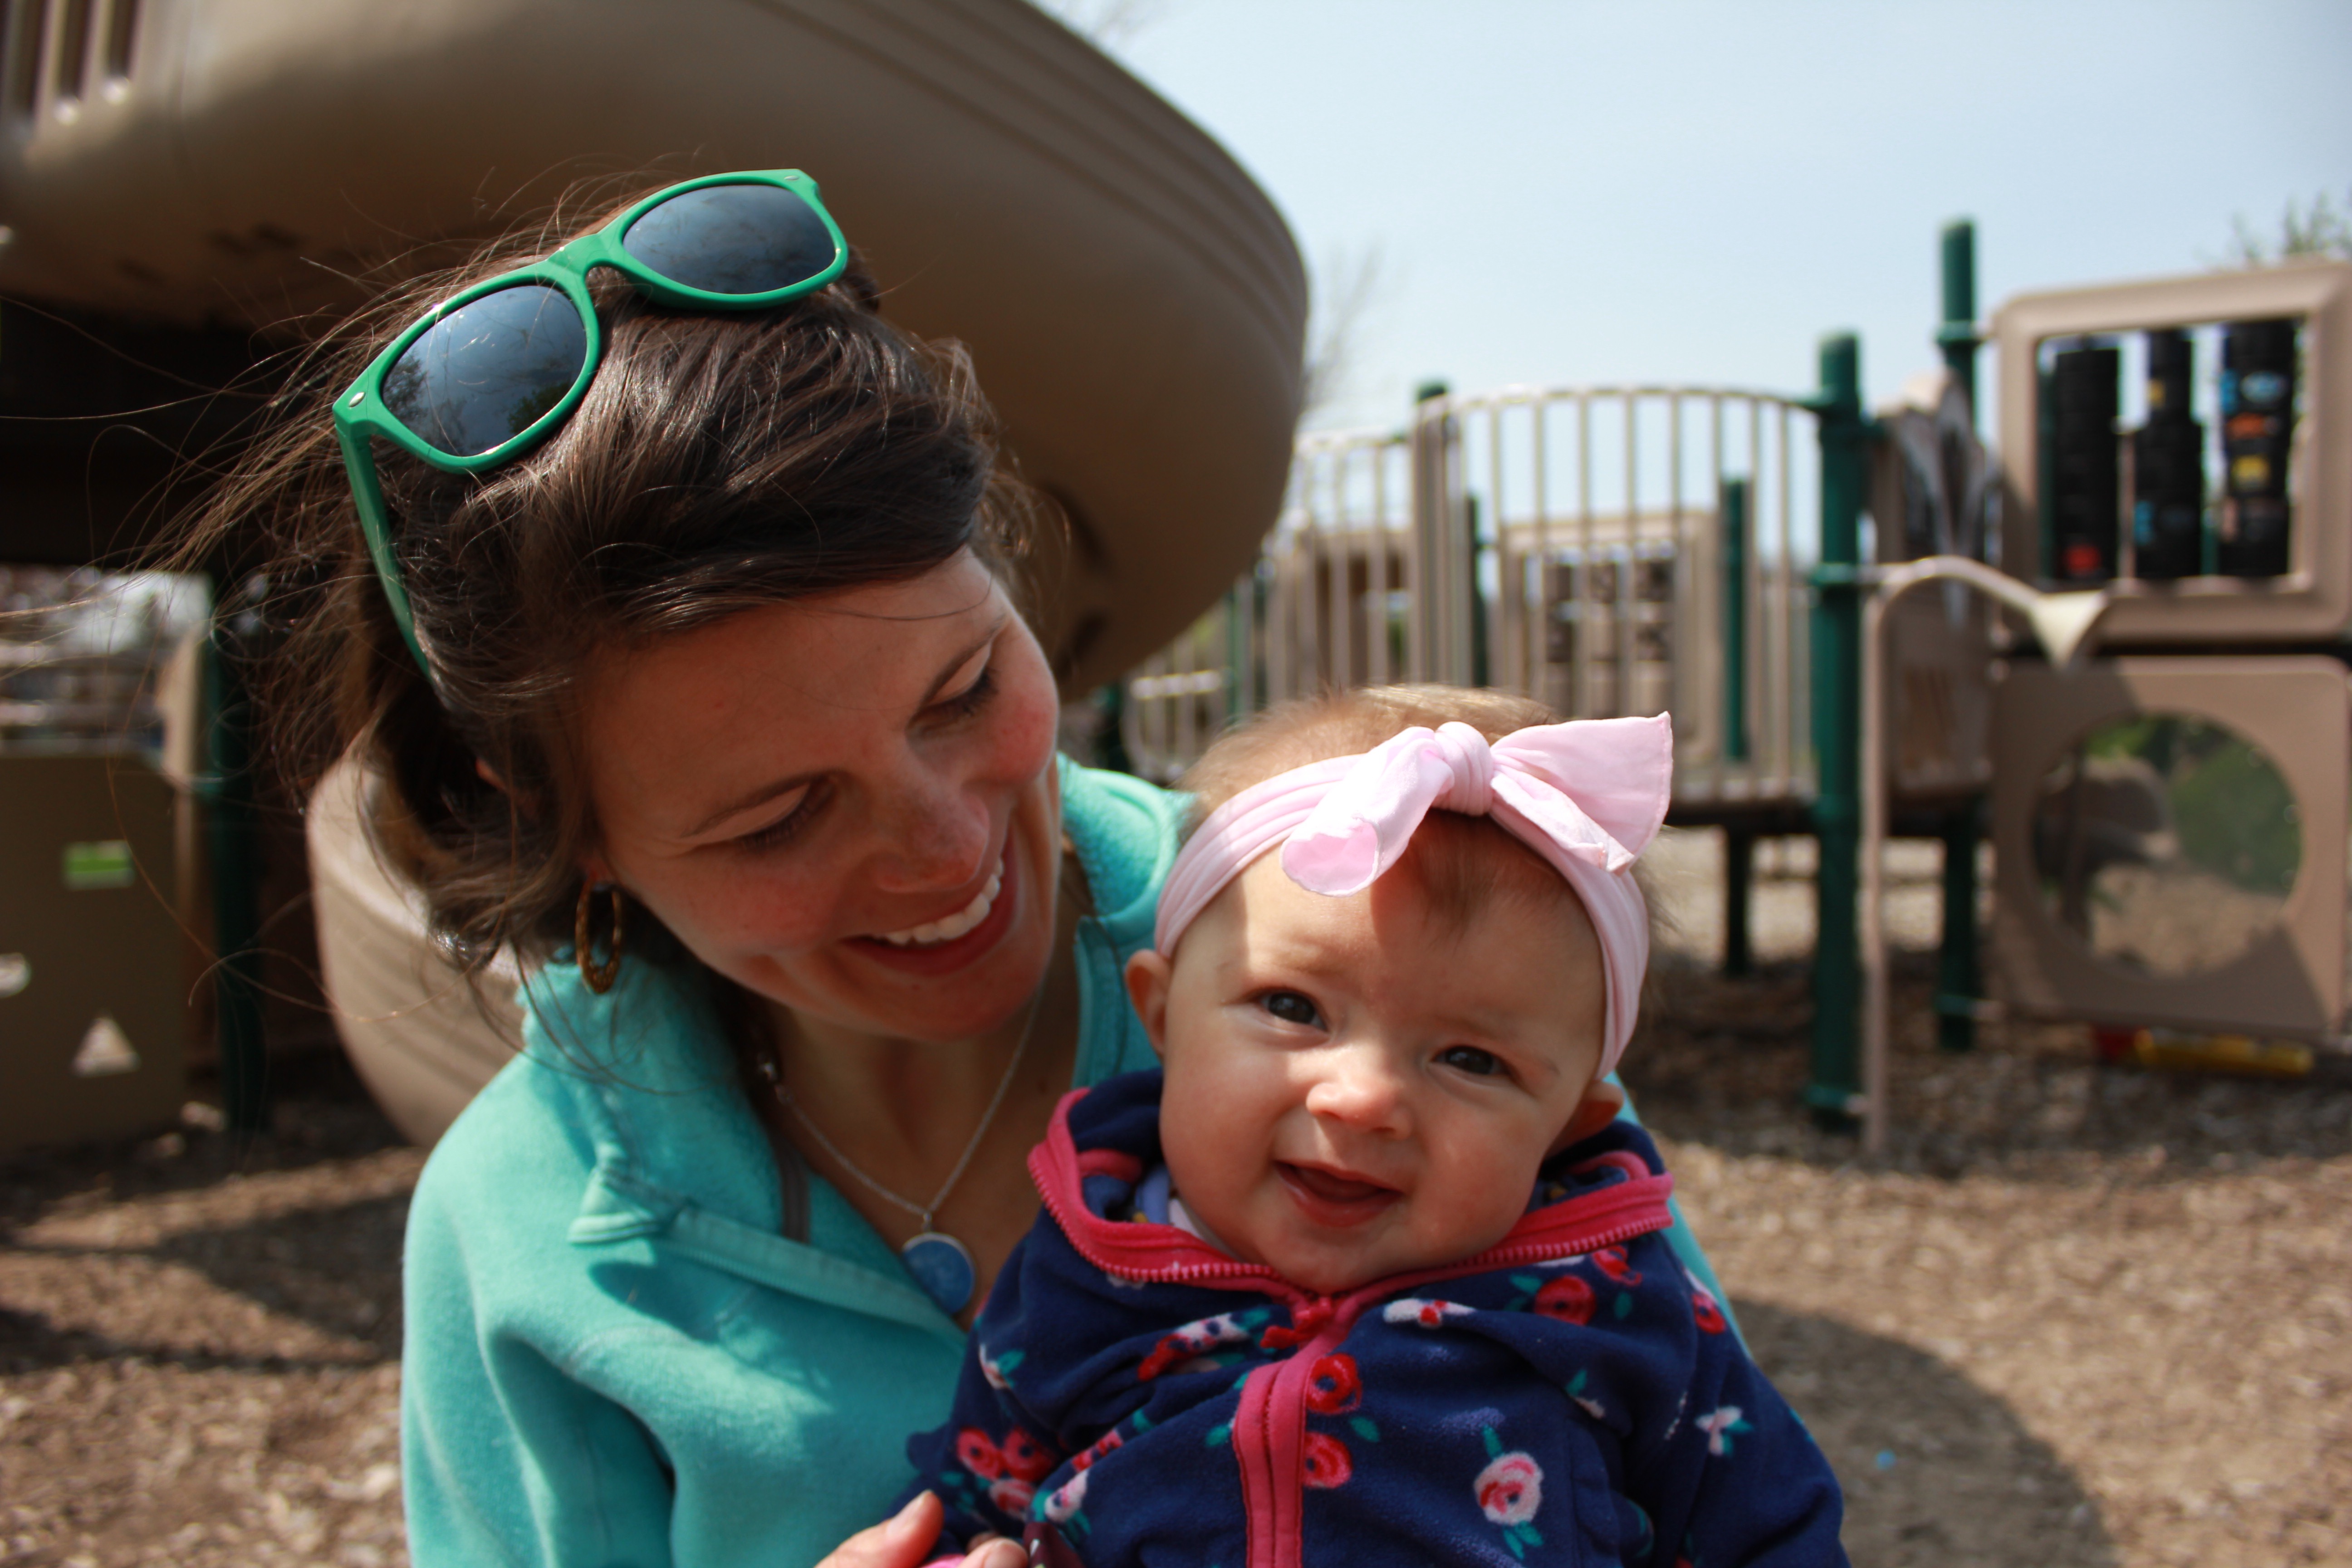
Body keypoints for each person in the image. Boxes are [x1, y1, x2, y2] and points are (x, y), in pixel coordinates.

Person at [182, 169, 1735, 1568]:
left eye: (964, 690)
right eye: (778, 816)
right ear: (558, 826)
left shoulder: (1369, 937)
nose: (948, 844)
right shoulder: (520, 1233)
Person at [897, 688, 1845, 1566]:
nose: (1361, 1099)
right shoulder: (1076, 1281)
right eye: (1292, 1008)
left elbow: (1774, 1534)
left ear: (1567, 1128)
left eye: (1471, 1060)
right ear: (1163, 1016)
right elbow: (971, 1508)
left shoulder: (1621, 1308)